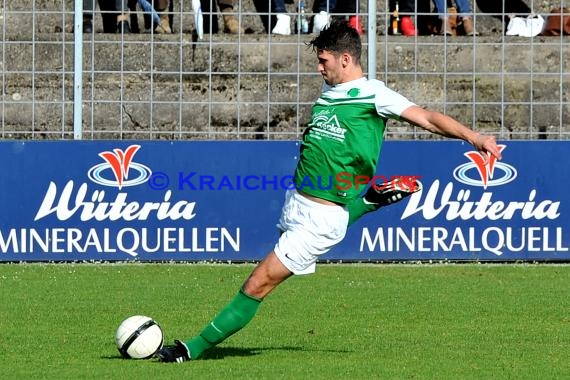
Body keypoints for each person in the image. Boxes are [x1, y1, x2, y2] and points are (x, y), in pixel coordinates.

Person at [156, 19, 503, 363]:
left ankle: (191, 349)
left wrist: (475, 138)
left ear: (346, 60)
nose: (319, 68)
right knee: (266, 274)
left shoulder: (375, 94)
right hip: (296, 204)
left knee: (257, 284)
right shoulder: (328, 94)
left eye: (324, 61)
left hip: (320, 219)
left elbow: (427, 118)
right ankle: (367, 202)